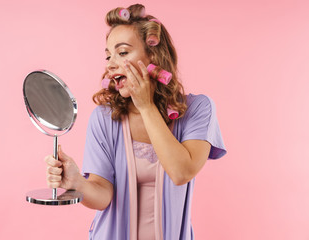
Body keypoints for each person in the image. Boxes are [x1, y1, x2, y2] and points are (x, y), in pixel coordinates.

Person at [45, 4, 226, 240]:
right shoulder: (104, 119)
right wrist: (76, 182)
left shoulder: (198, 109)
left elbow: (182, 172)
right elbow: (103, 196)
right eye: (108, 55)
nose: (110, 64)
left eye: (122, 53)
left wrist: (146, 105)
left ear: (154, 56)